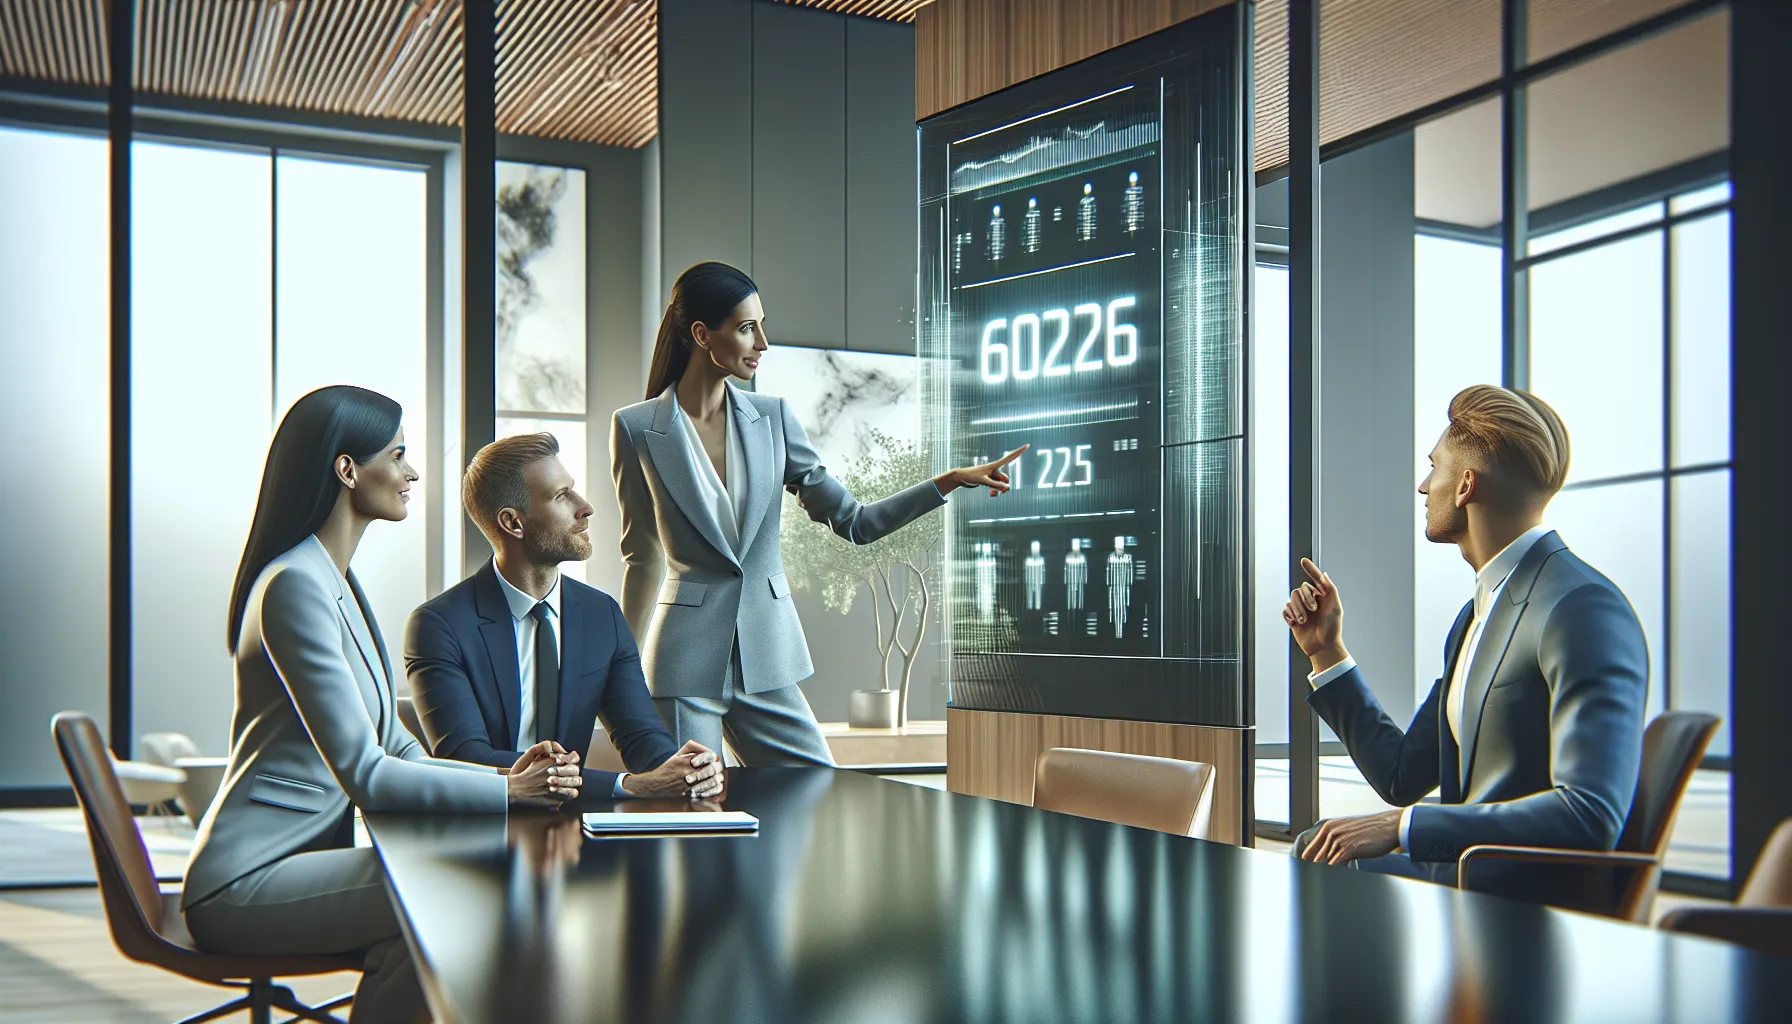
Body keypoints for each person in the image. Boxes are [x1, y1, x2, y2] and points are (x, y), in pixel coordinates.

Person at [183, 386, 580, 1023]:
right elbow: (364, 773)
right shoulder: (294, 587)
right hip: (247, 881)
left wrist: (507, 777)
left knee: (439, 918)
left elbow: (394, 747)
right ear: (348, 470)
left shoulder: (334, 580)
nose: (412, 472)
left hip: (302, 863)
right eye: (397, 456)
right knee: (466, 881)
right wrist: (507, 795)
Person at [611, 261, 1025, 764]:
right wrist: (621, 675)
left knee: (814, 783)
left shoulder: (773, 419)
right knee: (692, 812)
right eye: (747, 328)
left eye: (761, 324)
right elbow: (643, 559)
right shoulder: (635, 429)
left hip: (767, 656)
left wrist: (948, 481)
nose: (763, 342)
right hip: (682, 664)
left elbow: (856, 522)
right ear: (702, 334)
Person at [1283, 385, 1648, 904]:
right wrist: (1326, 652)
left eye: (1435, 468)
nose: (1422, 485)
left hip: (1520, 901)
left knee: (1315, 865)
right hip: (1468, 880)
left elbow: (1589, 812)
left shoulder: (1581, 607)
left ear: (1466, 485)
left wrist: (1404, 826)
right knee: (1315, 848)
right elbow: (1401, 773)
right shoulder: (1477, 615)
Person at [404, 432, 724, 799]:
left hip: (574, 830)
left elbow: (641, 736)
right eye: (561, 496)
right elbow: (465, 758)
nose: (585, 507)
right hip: (483, 827)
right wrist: (628, 786)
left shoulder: (601, 613)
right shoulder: (437, 625)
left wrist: (684, 771)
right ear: (513, 523)